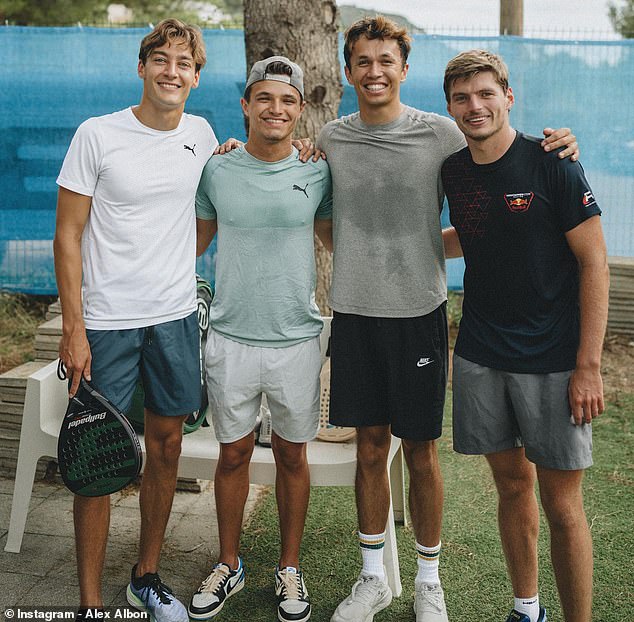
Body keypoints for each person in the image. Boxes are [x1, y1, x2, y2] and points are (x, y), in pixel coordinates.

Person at [316, 17, 580, 622]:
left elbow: (504, 153)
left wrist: (562, 145)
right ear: (349, 70)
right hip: (354, 313)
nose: (375, 71)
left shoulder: (442, 134)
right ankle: (373, 578)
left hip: (421, 314)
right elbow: (316, 209)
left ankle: (428, 581)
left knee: (420, 450)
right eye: (363, 61)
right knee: (367, 449)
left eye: (387, 60)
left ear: (403, 70)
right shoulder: (330, 138)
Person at [54, 19, 218, 622]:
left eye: (184, 63)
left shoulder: (202, 136)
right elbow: (67, 235)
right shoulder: (97, 135)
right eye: (162, 59)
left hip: (175, 318)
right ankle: (90, 603)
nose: (172, 71)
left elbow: (208, 214)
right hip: (107, 323)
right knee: (97, 456)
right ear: (143, 66)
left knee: (168, 444)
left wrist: (173, 259)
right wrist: (74, 327)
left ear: (196, 78)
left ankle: (144, 576)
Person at [441, 50, 608, 622]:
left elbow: (595, 264)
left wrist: (588, 365)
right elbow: (471, 231)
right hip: (482, 353)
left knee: (562, 506)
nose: (475, 106)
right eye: (462, 98)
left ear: (508, 97)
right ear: (450, 108)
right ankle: (525, 607)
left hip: (555, 358)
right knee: (512, 488)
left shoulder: (554, 162)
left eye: (486, 94)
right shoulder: (453, 169)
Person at [188, 56, 332, 622]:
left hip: (298, 337)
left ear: (300, 111)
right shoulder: (216, 169)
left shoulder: (319, 169)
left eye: (288, 100)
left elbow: (335, 233)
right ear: (246, 106)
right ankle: (230, 562)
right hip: (229, 338)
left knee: (294, 456)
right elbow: (192, 245)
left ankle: (288, 570)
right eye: (264, 99)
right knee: (233, 454)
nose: (276, 109)